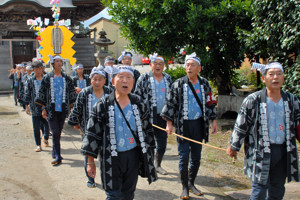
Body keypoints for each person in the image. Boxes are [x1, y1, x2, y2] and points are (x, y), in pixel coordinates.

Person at [81, 65, 157, 200]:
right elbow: (92, 134)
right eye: (120, 77)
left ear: (133, 82)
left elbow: (147, 131)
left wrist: (150, 156)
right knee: (113, 194)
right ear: (112, 81)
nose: (125, 81)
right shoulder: (102, 105)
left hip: (133, 156)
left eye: (128, 77)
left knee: (128, 193)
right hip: (111, 157)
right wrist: (90, 162)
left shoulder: (139, 103)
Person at [227, 61, 299, 200]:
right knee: (259, 189)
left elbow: (298, 123)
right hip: (259, 152)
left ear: (284, 77)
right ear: (264, 79)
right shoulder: (253, 100)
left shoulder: (292, 100)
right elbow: (241, 124)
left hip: (283, 151)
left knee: (278, 189)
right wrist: (234, 146)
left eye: (279, 74)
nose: (275, 78)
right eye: (271, 74)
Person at [161, 52, 218, 199]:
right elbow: (170, 104)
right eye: (187, 65)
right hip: (183, 125)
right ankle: (184, 187)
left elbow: (211, 102)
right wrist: (169, 123)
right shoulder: (178, 84)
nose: (189, 67)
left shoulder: (204, 83)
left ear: (199, 68)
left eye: (192, 65)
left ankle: (192, 183)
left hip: (199, 125)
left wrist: (214, 121)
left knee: (197, 157)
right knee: (184, 157)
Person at [68, 66, 112, 188]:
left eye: (100, 79)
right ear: (91, 79)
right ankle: (90, 179)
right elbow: (77, 109)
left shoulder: (110, 92)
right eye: (94, 79)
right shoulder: (84, 93)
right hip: (88, 130)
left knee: (106, 156)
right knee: (89, 155)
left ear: (104, 80)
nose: (97, 82)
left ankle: (106, 179)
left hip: (106, 131)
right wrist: (76, 122)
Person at [35, 55, 76, 166]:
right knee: (55, 132)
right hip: (50, 109)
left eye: (60, 61)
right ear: (52, 64)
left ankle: (54, 151)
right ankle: (58, 156)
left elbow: (71, 94)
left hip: (62, 109)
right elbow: (42, 94)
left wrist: (70, 108)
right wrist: (43, 108)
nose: (59, 63)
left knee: (58, 132)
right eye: (57, 61)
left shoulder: (67, 78)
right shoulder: (47, 78)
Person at [135, 53, 173, 175]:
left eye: (160, 64)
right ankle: (149, 165)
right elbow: (137, 97)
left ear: (163, 66)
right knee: (149, 143)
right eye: (155, 63)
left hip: (163, 116)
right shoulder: (143, 78)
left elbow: (172, 98)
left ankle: (158, 165)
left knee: (162, 143)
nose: (158, 66)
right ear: (150, 65)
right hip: (148, 117)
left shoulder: (168, 78)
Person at [24, 61, 50, 152]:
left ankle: (45, 137)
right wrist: (26, 106)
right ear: (33, 70)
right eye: (37, 69)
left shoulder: (46, 79)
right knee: (36, 127)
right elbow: (27, 93)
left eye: (40, 68)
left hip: (46, 106)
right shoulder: (30, 80)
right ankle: (38, 145)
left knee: (47, 123)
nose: (39, 71)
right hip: (34, 106)